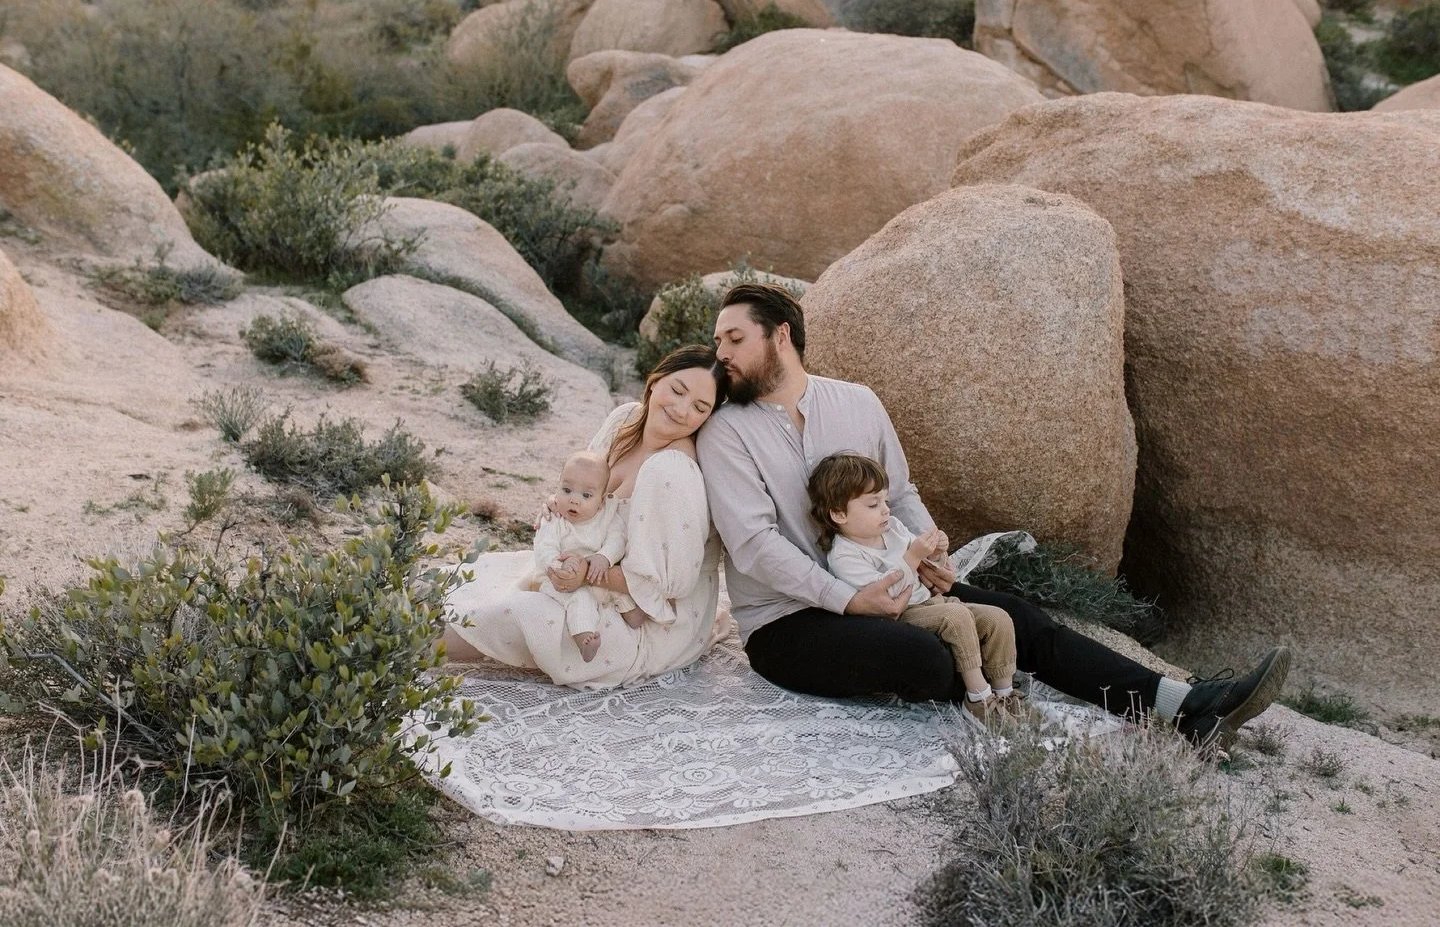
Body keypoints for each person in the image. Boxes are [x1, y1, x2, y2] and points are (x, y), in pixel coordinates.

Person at [696, 283, 1290, 749]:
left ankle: (1183, 706)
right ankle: (990, 682)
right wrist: (848, 599)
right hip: (790, 621)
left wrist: (933, 556)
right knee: (928, 661)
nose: (721, 354)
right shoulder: (726, 431)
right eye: (718, 342)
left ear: (780, 335)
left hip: (897, 586)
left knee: (1021, 618)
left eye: (733, 339)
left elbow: (899, 494)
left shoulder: (857, 401)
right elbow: (751, 544)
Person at [444, 345, 730, 689]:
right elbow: (582, 487)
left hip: (645, 621)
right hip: (585, 574)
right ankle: (392, 629)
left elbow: (667, 587)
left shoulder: (673, 470)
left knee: (513, 616)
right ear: (655, 381)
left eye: (700, 407)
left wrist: (587, 574)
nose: (682, 410)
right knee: (467, 582)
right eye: (678, 390)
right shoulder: (625, 420)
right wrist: (558, 503)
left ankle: (401, 652)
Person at [809, 451, 1024, 723]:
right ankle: (978, 698)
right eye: (873, 504)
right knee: (956, 618)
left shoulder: (893, 527)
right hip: (899, 616)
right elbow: (885, 597)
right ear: (839, 514)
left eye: (885, 500)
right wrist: (912, 556)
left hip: (930, 603)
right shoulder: (844, 555)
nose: (886, 510)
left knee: (997, 618)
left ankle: (1004, 695)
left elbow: (923, 557)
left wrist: (936, 551)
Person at [525, 450, 640, 663]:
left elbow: (618, 538)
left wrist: (604, 557)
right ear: (556, 487)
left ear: (601, 500)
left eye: (586, 495)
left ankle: (635, 618)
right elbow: (543, 549)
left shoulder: (607, 516)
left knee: (617, 593)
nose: (574, 501)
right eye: (566, 490)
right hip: (558, 580)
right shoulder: (555, 518)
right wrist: (561, 565)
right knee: (581, 600)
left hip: (593, 572)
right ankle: (584, 638)